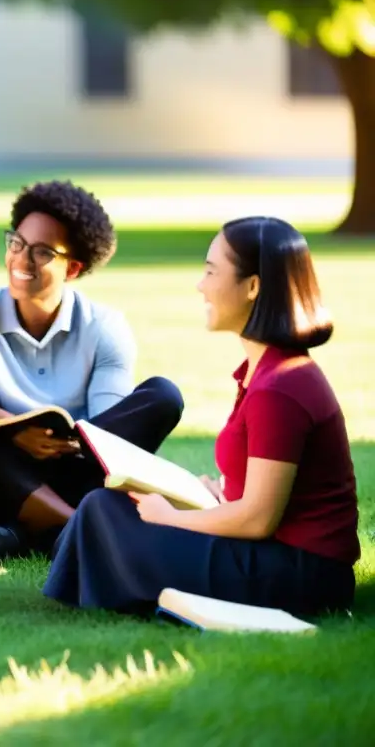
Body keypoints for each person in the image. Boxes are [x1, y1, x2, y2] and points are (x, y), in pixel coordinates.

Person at [44, 217, 359, 618]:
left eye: (211, 271)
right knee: (107, 505)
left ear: (253, 287)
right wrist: (213, 497)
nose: (201, 285)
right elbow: (261, 500)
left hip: (300, 577)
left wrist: (173, 518)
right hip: (279, 558)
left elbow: (258, 520)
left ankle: (99, 591)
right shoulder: (266, 372)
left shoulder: (280, 386)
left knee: (105, 513)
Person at [0, 180, 184, 557]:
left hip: (80, 466)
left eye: (41, 252)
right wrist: (18, 433)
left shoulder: (105, 327)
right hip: (6, 476)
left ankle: (26, 537)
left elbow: (110, 431)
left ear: (72, 268)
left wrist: (72, 443)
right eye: (16, 244)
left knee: (164, 395)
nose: (21, 261)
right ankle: (82, 529)